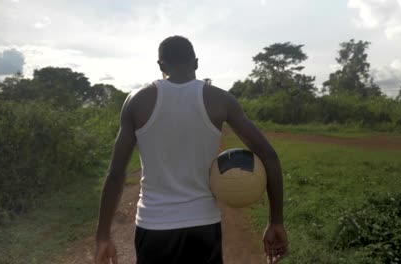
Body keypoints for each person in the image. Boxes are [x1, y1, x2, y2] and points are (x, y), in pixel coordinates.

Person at [95, 35, 288, 264]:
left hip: (153, 225)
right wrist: (275, 220)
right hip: (203, 226)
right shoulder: (220, 100)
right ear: (196, 63)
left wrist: (103, 235)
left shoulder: (137, 101)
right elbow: (269, 155)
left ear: (161, 66)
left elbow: (116, 173)